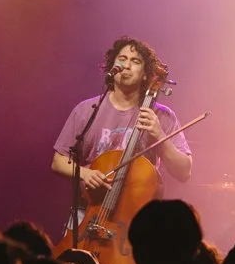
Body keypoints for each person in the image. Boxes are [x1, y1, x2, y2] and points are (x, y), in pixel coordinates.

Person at [50, 38, 193, 240]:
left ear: (146, 74)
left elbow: (184, 172)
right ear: (112, 66)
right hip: (88, 212)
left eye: (135, 61)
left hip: (135, 221)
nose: (126, 65)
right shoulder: (87, 110)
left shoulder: (161, 116)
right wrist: (85, 173)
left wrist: (159, 135)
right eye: (122, 59)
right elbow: (58, 161)